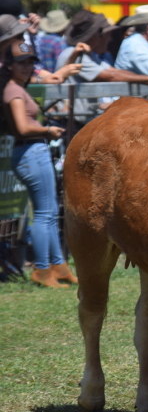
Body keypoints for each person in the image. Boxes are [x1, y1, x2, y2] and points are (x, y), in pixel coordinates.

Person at [0, 39, 75, 289]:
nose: (27, 66)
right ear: (10, 65)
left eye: (30, 62)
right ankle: (42, 270)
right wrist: (47, 130)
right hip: (30, 151)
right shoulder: (14, 91)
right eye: (21, 62)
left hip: (32, 151)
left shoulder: (17, 87)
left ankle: (58, 266)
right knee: (44, 214)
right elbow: (22, 127)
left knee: (49, 211)